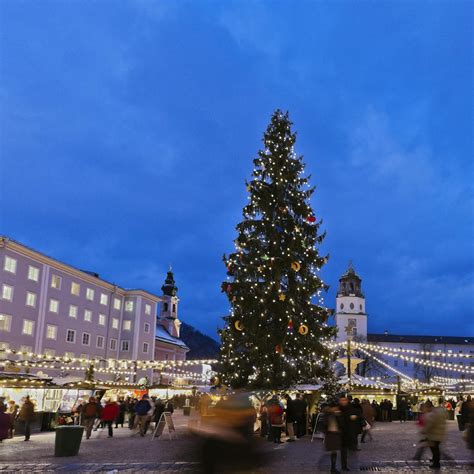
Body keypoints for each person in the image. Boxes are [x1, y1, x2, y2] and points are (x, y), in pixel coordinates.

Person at [323, 399, 349, 473]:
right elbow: (325, 424)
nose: (336, 409)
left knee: (337, 451)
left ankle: (336, 467)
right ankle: (333, 469)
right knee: (334, 452)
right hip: (332, 434)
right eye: (335, 407)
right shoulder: (328, 414)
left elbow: (342, 423)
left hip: (337, 434)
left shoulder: (337, 413)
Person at [423, 399, 446, 469]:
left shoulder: (433, 413)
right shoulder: (437, 411)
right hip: (438, 433)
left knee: (435, 449)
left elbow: (430, 424)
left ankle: (436, 464)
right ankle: (435, 460)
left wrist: (425, 430)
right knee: (435, 448)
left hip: (434, 434)